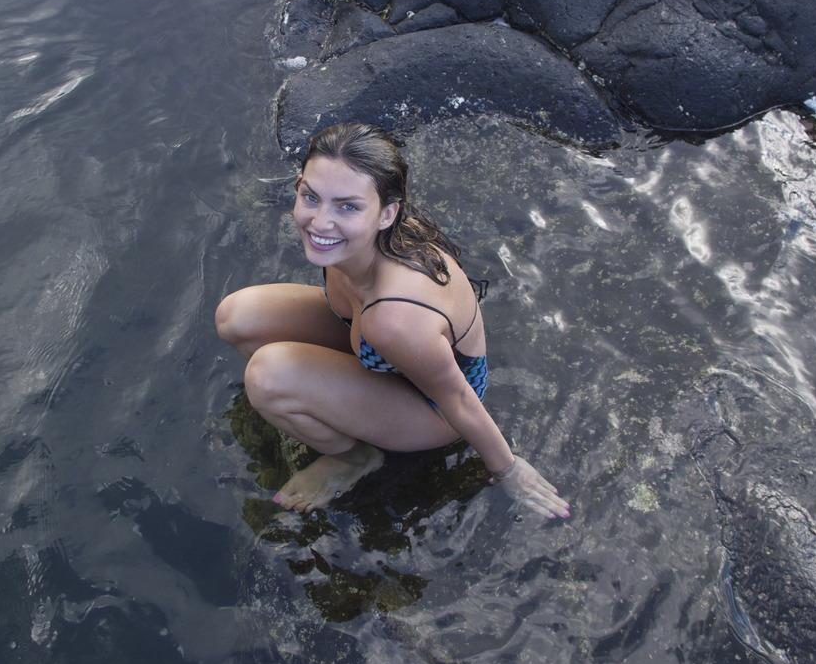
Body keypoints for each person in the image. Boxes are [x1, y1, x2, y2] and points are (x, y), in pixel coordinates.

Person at [215, 122, 570, 519]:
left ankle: (354, 457)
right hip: (377, 347)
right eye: (311, 196)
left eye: (347, 206)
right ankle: (333, 402)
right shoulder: (357, 242)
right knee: (237, 317)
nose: (320, 222)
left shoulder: (396, 317)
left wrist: (508, 470)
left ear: (387, 213)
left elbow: (457, 399)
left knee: (267, 375)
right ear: (298, 185)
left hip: (431, 408)